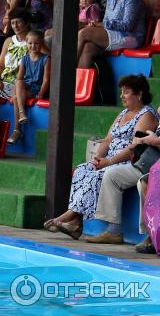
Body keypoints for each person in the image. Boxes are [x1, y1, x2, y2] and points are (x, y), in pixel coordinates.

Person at [44, 75, 158, 240]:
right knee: (84, 169)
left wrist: (109, 161)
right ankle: (76, 221)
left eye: (126, 92)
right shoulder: (124, 113)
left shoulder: (146, 115)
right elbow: (107, 140)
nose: (121, 96)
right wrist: (97, 159)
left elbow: (135, 147)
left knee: (97, 175)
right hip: (110, 160)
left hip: (130, 162)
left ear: (139, 94)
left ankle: (70, 216)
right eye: (121, 92)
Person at [77, 0, 146, 68]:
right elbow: (107, 21)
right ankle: (77, 83)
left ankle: (68, 71)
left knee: (84, 33)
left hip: (131, 37)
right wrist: (96, 25)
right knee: (87, 48)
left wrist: (102, 25)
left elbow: (127, 25)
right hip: (115, 33)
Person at [7, 30, 50, 144]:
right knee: (19, 83)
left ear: (41, 44)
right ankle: (21, 115)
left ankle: (17, 130)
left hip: (36, 89)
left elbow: (46, 80)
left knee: (17, 98)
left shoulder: (45, 59)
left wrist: (41, 93)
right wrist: (13, 93)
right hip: (24, 87)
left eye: (36, 43)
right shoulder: (25, 59)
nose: (33, 46)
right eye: (30, 43)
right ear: (26, 44)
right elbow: (19, 79)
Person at [0, 9, 30, 100]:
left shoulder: (32, 42)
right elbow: (0, 65)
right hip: (3, 82)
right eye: (12, 23)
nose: (15, 26)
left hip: (19, 85)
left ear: (27, 23)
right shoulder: (8, 41)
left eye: (18, 22)